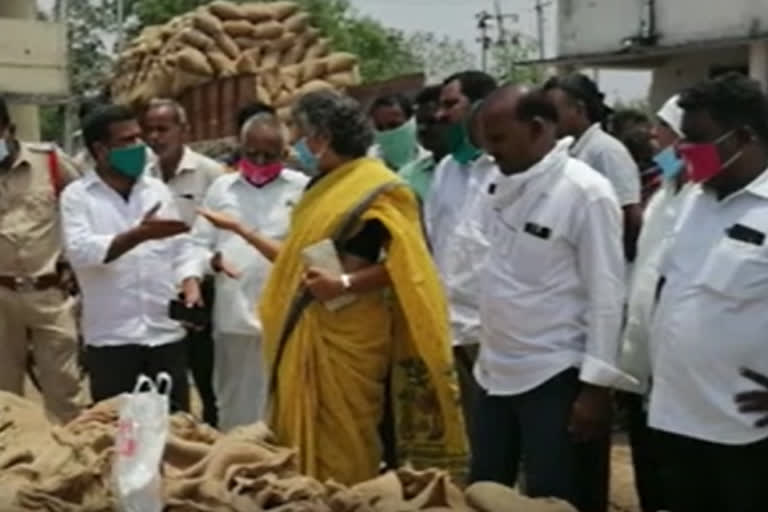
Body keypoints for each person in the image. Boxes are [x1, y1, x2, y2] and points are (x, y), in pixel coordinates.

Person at [198, 90, 466, 485]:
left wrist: (344, 282)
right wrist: (240, 231)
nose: (295, 144)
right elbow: (297, 260)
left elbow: (409, 266)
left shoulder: (378, 188)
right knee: (300, 451)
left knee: (347, 445)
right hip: (308, 326)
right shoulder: (319, 187)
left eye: (300, 133)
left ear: (322, 137)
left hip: (351, 339)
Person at [470, 85, 630, 511]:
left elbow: (607, 295)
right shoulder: (494, 183)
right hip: (494, 371)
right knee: (483, 493)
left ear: (538, 128)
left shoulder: (585, 192)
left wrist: (596, 389)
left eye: (500, 139)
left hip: (555, 375)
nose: (492, 151)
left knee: (558, 497)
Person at [647, 73, 768, 512]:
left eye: (695, 139)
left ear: (743, 137)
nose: (681, 151)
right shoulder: (693, 200)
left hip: (743, 434)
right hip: (675, 418)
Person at [60, 104, 198, 412]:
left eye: (139, 138)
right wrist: (138, 234)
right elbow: (81, 251)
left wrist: (190, 281)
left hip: (165, 335)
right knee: (116, 436)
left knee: (175, 432)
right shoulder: (78, 197)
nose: (139, 147)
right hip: (112, 340)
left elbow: (181, 248)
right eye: (127, 141)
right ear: (100, 150)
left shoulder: (157, 191)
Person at [180, 112, 309, 431]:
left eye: (270, 155)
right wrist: (200, 272)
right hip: (234, 318)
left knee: (285, 409)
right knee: (234, 409)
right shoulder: (222, 189)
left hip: (286, 320)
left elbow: (309, 252)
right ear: (241, 149)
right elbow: (198, 243)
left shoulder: (303, 189)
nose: (261, 162)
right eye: (252, 154)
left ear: (285, 153)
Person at [617, 94, 687, 512]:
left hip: (686, 377)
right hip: (644, 369)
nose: (654, 136)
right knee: (651, 481)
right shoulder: (663, 196)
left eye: (665, 128)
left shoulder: (705, 200)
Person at [0, 97, 85, 423]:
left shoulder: (48, 161)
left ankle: (74, 462)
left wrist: (70, 258)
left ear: (10, 129)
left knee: (65, 390)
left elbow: (84, 204)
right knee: (4, 397)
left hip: (49, 293)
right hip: (1, 296)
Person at [423, 71, 498, 438]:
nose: (441, 114)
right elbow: (435, 243)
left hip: (498, 333)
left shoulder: (508, 171)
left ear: (482, 107)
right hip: (452, 328)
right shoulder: (445, 170)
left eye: (451, 104)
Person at [143, 98, 225, 426]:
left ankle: (213, 439)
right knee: (164, 378)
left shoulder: (209, 174)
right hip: (156, 292)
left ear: (183, 131)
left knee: (207, 374)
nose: (155, 137)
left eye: (163, 129)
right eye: (149, 130)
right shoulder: (141, 175)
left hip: (200, 290)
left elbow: (217, 232)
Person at [544, 74, 643, 262]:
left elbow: (630, 215)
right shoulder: (564, 151)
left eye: (553, 111)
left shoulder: (605, 150)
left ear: (579, 110)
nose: (547, 120)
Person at [398, 85, 452, 203]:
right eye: (419, 123)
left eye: (431, 122)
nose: (422, 129)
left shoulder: (477, 171)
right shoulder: (407, 176)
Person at [369, 93, 426, 171]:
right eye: (380, 128)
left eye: (394, 125)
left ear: (411, 123)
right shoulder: (369, 165)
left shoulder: (432, 165)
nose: (387, 133)